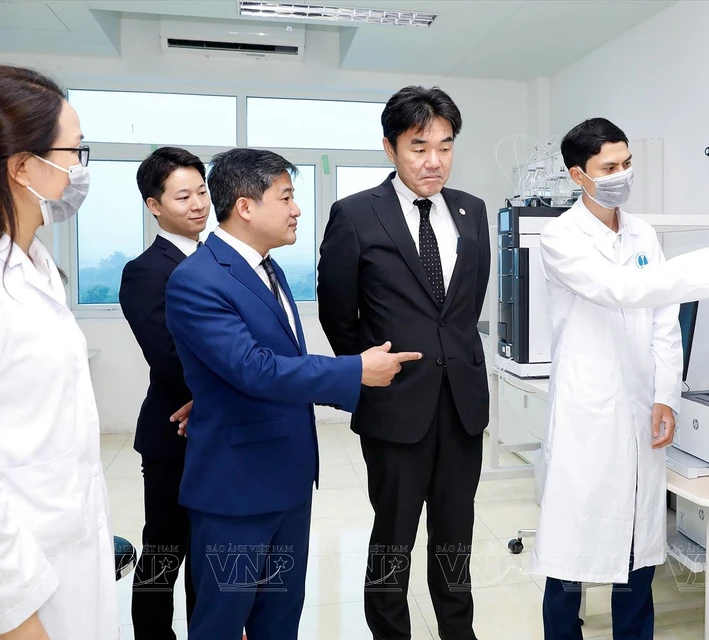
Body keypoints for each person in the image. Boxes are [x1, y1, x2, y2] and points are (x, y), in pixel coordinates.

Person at [530, 118, 709, 640]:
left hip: (641, 404)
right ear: (579, 176)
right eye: (609, 167)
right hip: (588, 413)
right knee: (572, 545)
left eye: (626, 163)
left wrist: (666, 395)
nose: (622, 174)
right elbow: (621, 288)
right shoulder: (560, 238)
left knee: (640, 546)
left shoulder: (642, 233)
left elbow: (664, 319)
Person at [164, 147, 420, 638]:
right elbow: (253, 369)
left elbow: (249, 367)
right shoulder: (197, 279)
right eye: (286, 197)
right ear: (245, 206)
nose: (297, 209)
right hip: (236, 491)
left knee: (279, 619)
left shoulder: (268, 268)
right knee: (222, 622)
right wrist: (355, 371)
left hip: (287, 480)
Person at [317, 86, 491, 640]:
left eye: (445, 145)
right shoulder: (356, 214)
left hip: (461, 403)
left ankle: (457, 633)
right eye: (418, 147)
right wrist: (369, 372)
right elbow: (338, 313)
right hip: (396, 404)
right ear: (390, 148)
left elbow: (466, 305)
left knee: (455, 535)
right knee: (393, 536)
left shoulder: (472, 211)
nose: (433, 160)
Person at [0, 65, 119, 639]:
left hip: (68, 547)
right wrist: (17, 615)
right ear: (23, 166)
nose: (80, 170)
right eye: (74, 150)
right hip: (21, 587)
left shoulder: (37, 266)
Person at [119, 147, 209, 639]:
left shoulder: (219, 258)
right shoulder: (146, 270)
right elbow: (170, 357)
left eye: (201, 192)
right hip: (174, 430)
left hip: (218, 428)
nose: (197, 204)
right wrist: (223, 393)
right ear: (154, 206)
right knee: (163, 549)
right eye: (183, 196)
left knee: (209, 549)